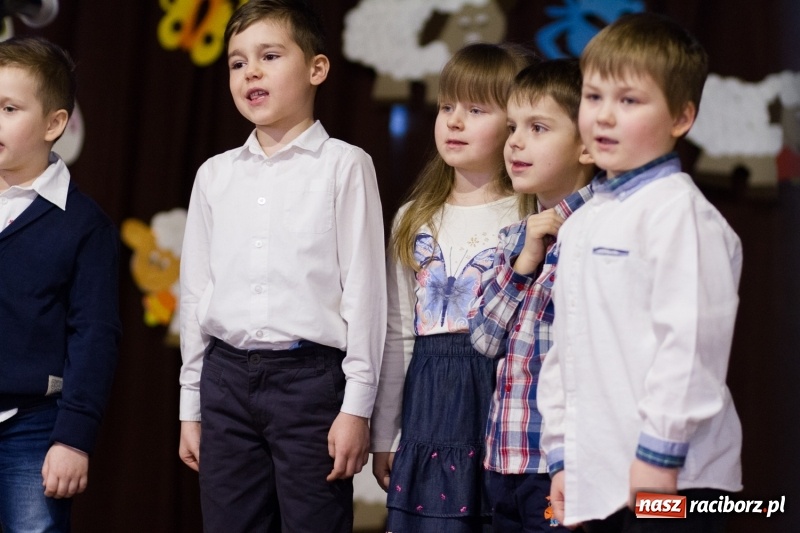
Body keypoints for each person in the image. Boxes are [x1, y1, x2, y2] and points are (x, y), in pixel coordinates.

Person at [177, 1, 386, 531]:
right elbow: (197, 294)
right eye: (237, 62)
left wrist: (357, 406)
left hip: (310, 382)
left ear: (316, 68)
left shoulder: (345, 164)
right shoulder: (215, 175)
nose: (251, 72)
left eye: (269, 55)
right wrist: (191, 404)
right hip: (225, 378)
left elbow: (365, 290)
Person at [538, 13, 743, 532]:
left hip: (676, 478)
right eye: (593, 97)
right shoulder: (582, 222)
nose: (604, 116)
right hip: (598, 478)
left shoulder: (680, 213)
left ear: (681, 117)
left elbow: (692, 343)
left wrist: (660, 454)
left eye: (628, 101)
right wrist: (563, 456)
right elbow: (566, 347)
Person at [371, 42, 535, 533]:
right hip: (429, 408)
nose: (454, 121)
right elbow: (399, 331)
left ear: (517, 124)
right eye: (447, 107)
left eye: (477, 108)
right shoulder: (415, 217)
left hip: (498, 400)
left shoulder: (531, 213)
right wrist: (384, 433)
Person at [468, 58, 594, 533]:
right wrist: (522, 265)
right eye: (513, 127)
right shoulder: (516, 238)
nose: (515, 141)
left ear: (586, 146)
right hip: (505, 457)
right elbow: (483, 340)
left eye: (538, 127)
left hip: (561, 466)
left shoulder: (599, 231)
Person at [0, 37, 121, 532]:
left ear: (55, 124)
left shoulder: (83, 226)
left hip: (33, 425)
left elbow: (94, 336)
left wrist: (73, 438)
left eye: (8, 108)